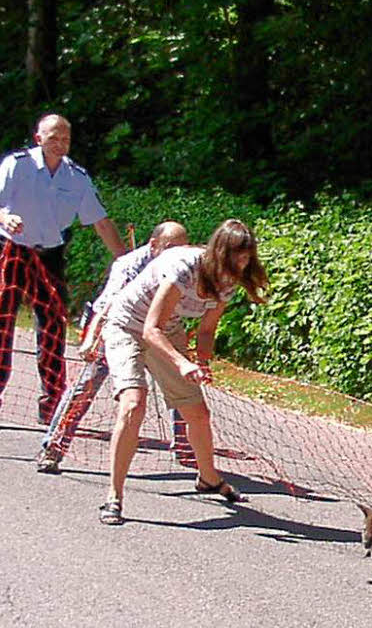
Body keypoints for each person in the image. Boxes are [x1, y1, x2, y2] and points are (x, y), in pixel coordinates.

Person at [99, 218, 268, 525]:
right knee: (133, 404)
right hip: (127, 326)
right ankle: (114, 496)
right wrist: (182, 362)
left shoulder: (228, 283)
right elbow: (151, 329)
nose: (240, 269)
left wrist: (202, 361)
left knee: (198, 413)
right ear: (219, 253)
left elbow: (206, 330)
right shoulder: (184, 268)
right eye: (236, 260)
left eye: (246, 261)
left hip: (168, 329)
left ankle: (208, 478)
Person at [0, 113, 126, 431]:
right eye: (53, 137)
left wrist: (127, 262)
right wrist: (3, 218)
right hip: (12, 250)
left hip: (50, 255)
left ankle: (52, 407)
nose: (60, 144)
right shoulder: (18, 164)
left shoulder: (77, 177)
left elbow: (101, 222)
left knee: (53, 328)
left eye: (66, 139)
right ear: (38, 138)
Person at [35, 220, 189, 474]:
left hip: (155, 328)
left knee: (183, 384)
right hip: (116, 326)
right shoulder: (128, 265)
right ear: (153, 245)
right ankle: (53, 446)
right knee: (87, 385)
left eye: (182, 248)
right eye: (170, 247)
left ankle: (187, 449)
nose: (177, 254)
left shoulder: (182, 266)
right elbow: (111, 304)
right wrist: (92, 338)